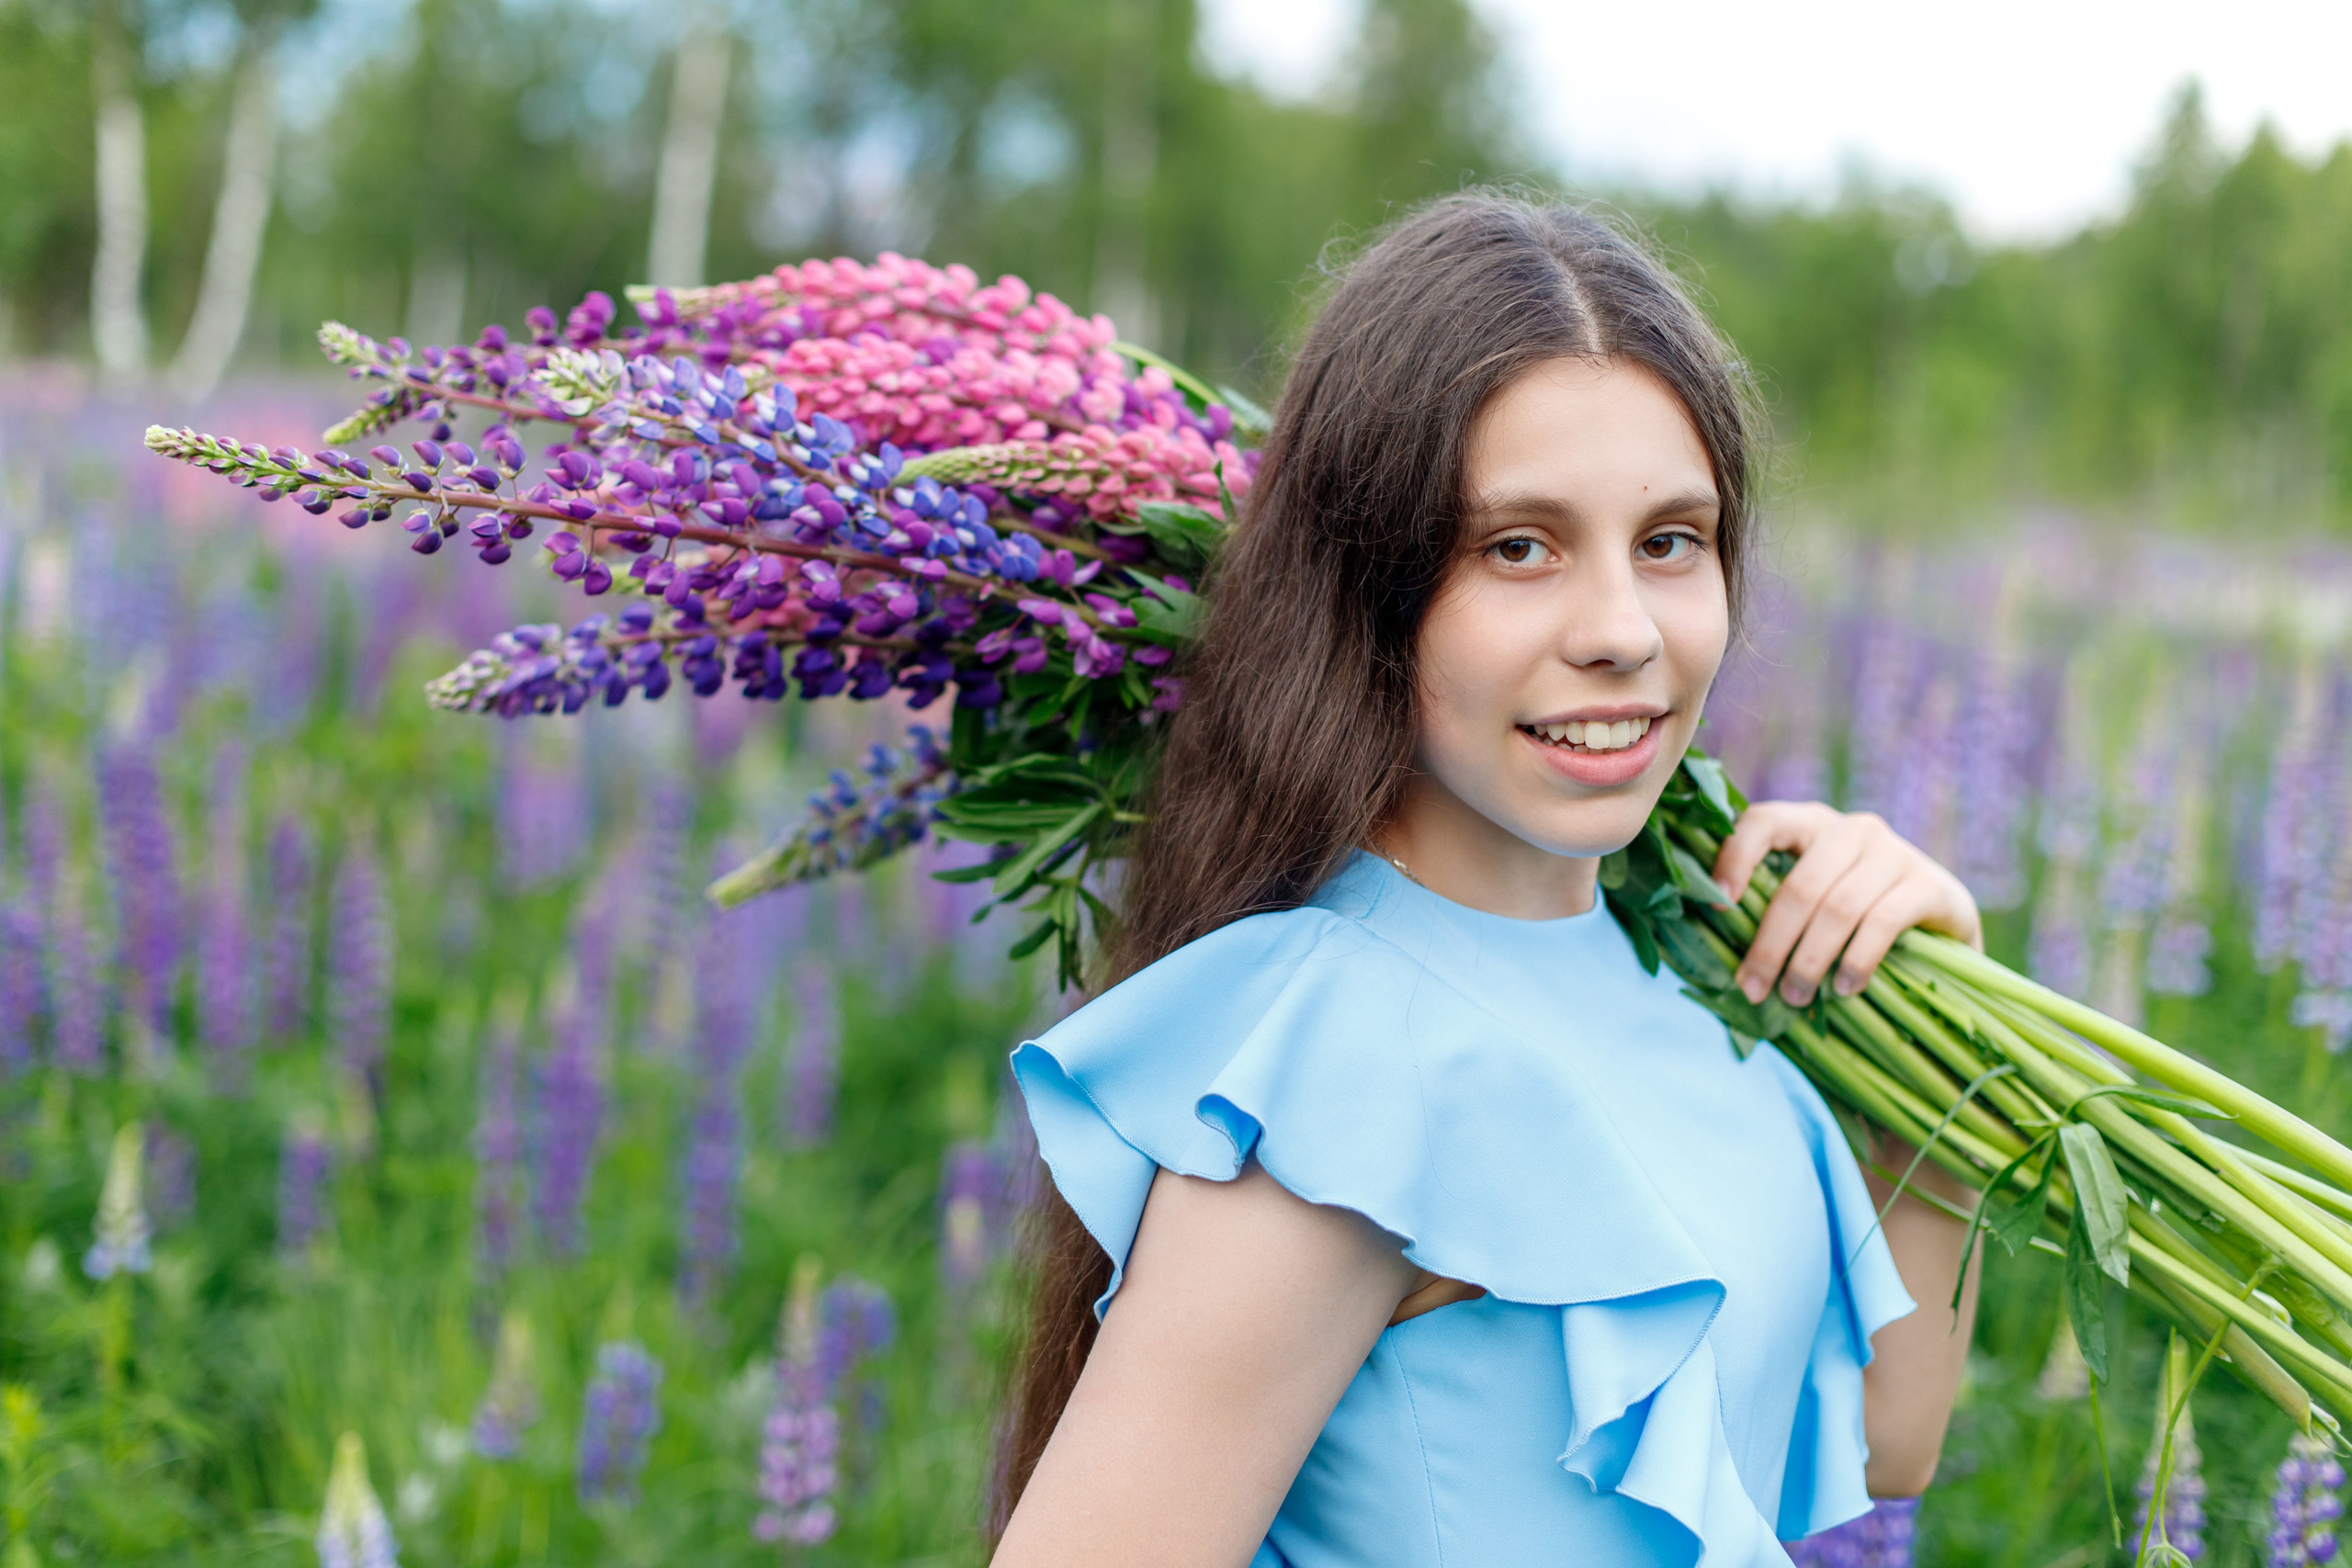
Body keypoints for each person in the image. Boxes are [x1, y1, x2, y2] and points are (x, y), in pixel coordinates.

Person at [989, 191, 1985, 1568]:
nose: (1623, 631)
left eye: (1671, 541)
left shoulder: (1685, 981)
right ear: (1364, 590)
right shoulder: (1338, 1062)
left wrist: (1940, 1021)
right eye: (1518, 547)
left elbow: (1883, 1441)